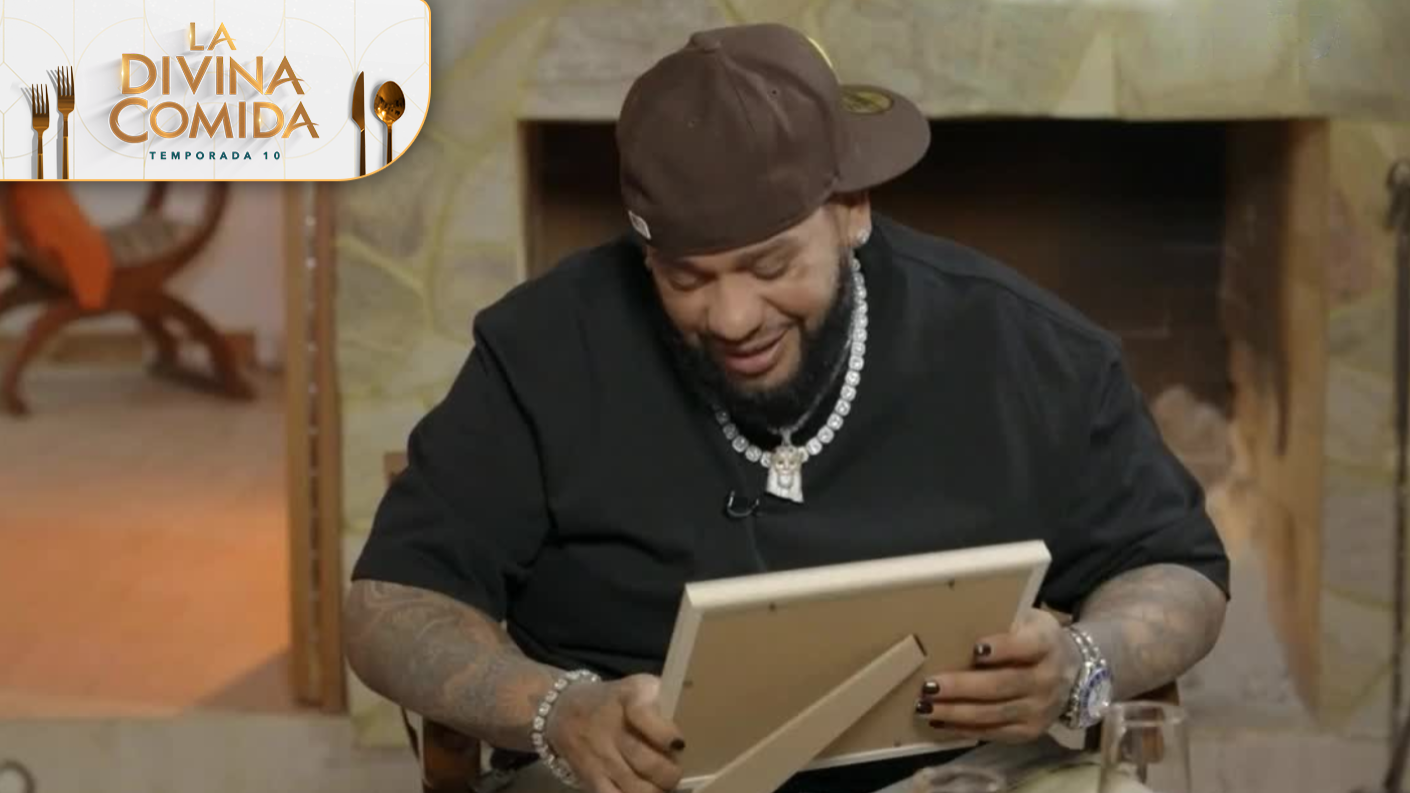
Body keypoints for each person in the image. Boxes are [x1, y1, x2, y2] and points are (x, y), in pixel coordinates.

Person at [344, 22, 1230, 793]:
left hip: (955, 774)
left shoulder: (1018, 344)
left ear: (851, 210)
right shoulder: (543, 348)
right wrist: (554, 709)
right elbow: (390, 603)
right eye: (686, 278)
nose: (732, 318)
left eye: (771, 267)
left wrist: (1082, 663)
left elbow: (1175, 566)